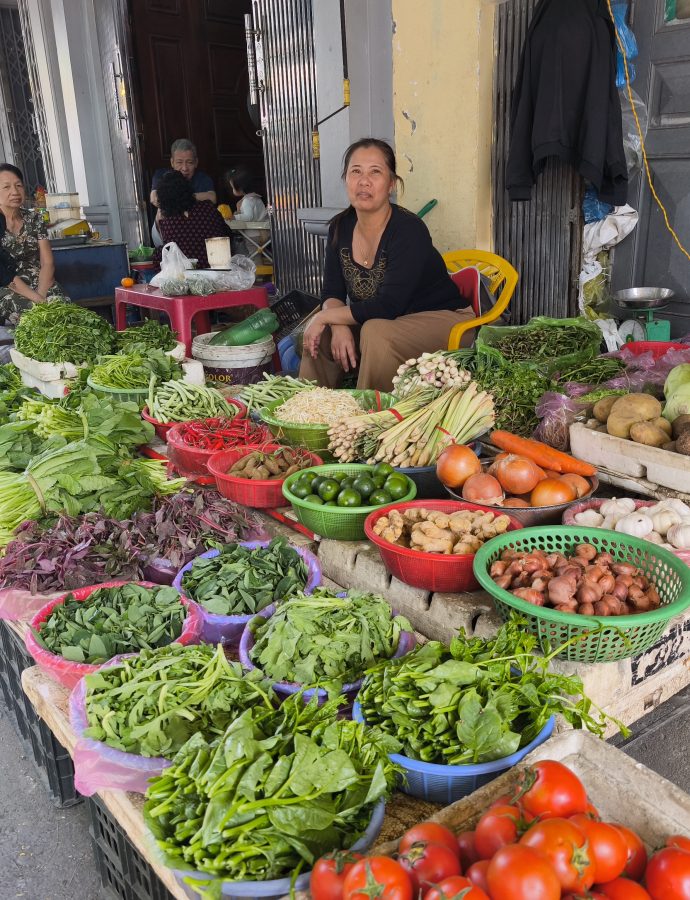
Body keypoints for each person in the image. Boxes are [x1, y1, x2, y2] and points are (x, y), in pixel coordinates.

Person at [299, 139, 475, 392]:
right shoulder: (341, 226)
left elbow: (389, 305)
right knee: (324, 332)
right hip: (387, 321)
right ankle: (309, 413)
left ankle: (370, 418)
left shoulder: (408, 230)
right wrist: (335, 324)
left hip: (443, 321)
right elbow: (332, 292)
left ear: (391, 184)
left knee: (374, 331)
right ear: (346, 179)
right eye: (356, 171)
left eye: (375, 172)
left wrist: (324, 315)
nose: (364, 181)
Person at [0, 163, 63, 325]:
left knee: (64, 315)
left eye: (18, 185)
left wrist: (41, 293)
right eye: (6, 187)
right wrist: (38, 301)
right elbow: (5, 276)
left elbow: (47, 262)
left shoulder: (35, 219)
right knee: (36, 320)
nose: (14, 192)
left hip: (41, 281)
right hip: (7, 286)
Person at [152, 170, 231, 270]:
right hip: (217, 269)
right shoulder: (208, 208)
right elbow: (227, 235)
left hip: (185, 274)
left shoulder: (167, 220)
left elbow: (165, 248)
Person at [150, 139, 216, 246]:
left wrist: (183, 197)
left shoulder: (202, 178)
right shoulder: (162, 175)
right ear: (172, 162)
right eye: (179, 162)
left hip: (196, 230)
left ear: (196, 163)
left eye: (189, 162)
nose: (185, 168)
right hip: (168, 228)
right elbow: (154, 198)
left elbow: (212, 197)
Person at [225, 165, 269, 258]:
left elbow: (249, 216)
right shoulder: (257, 198)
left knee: (254, 255)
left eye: (233, 188)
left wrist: (235, 217)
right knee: (262, 254)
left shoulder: (247, 201)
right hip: (264, 233)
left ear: (240, 188)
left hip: (253, 235)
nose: (232, 190)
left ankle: (257, 271)